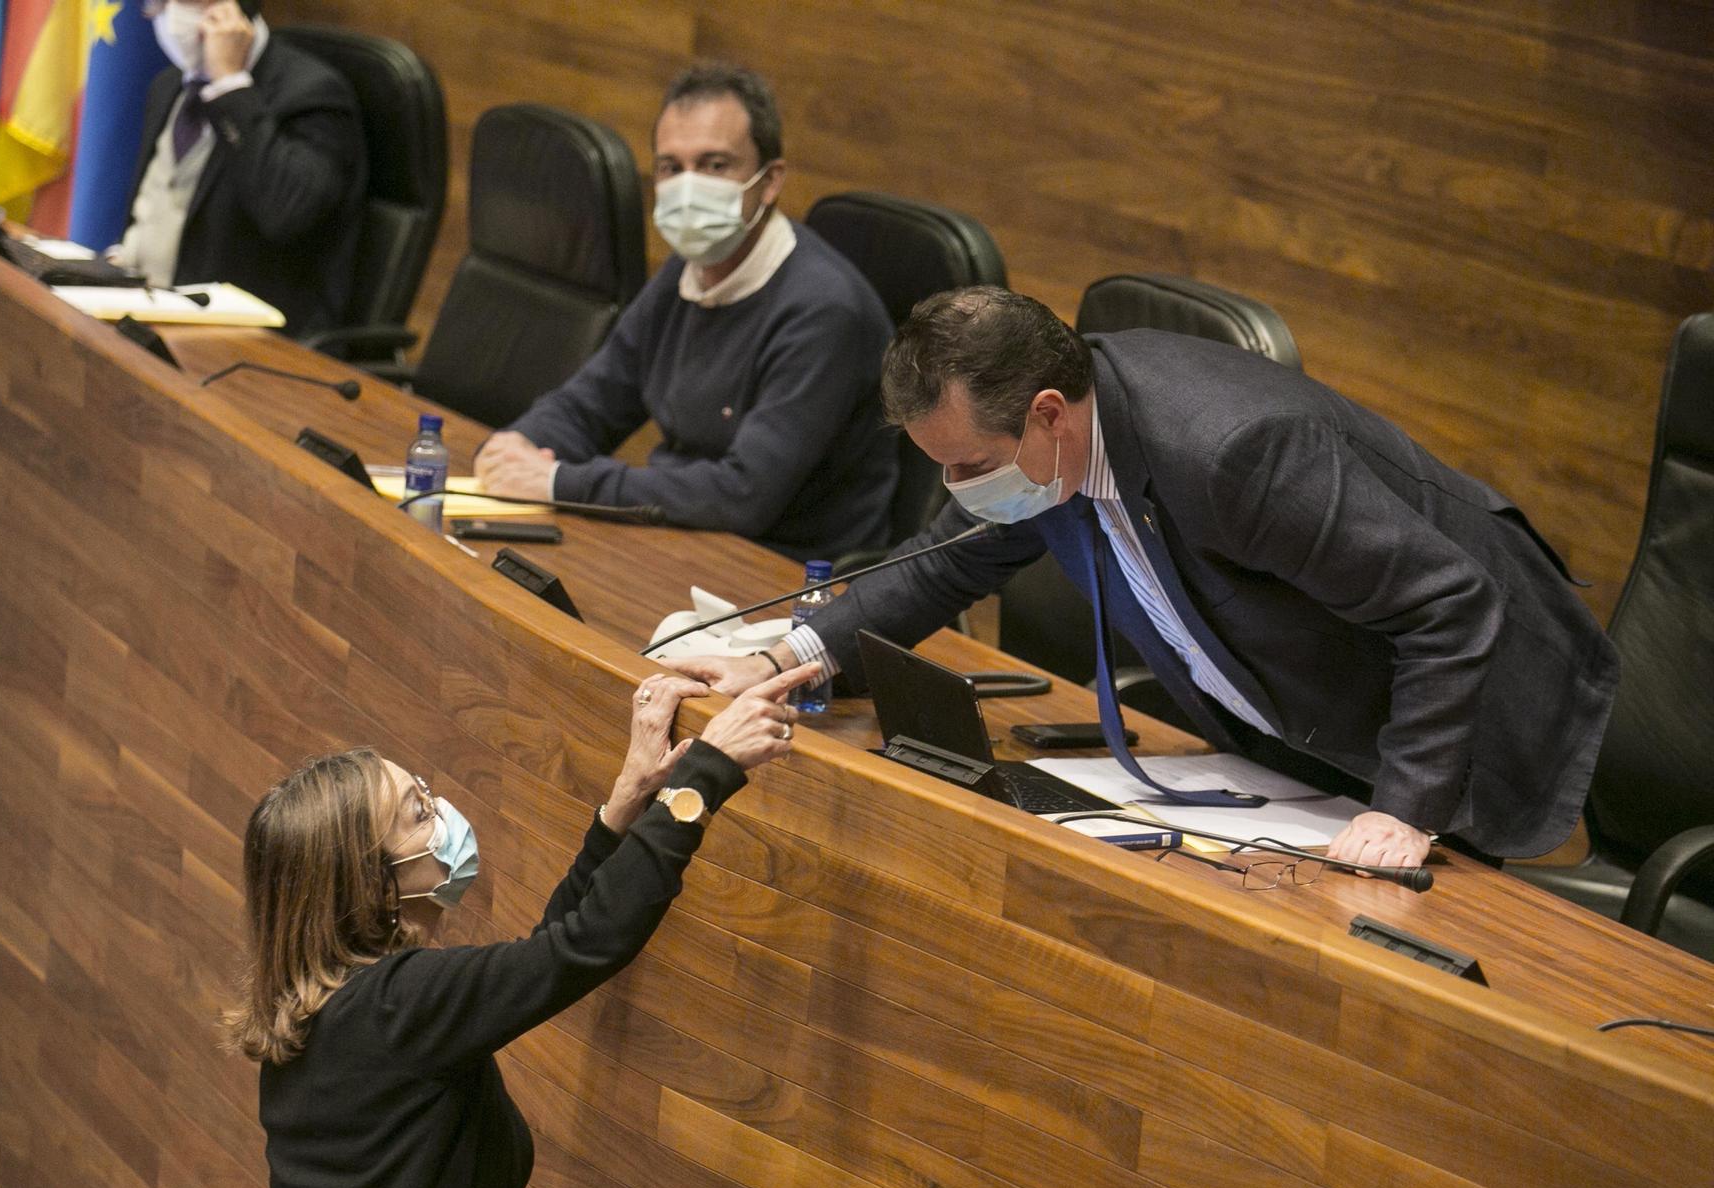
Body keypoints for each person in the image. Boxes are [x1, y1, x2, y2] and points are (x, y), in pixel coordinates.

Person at [673, 287, 1619, 873]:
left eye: (967, 466)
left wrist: (1408, 808)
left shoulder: (1235, 452)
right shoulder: (1060, 448)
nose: (958, 492)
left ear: (1047, 413)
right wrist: (787, 658)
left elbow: (1449, 602)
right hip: (1307, 738)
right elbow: (946, 563)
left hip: (1479, 717)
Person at [227, 664, 818, 1188]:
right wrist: (703, 773)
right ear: (374, 881)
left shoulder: (354, 1003)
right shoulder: (400, 1005)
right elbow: (585, 945)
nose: (444, 811)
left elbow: (549, 950)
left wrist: (625, 802)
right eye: (419, 814)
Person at [472, 64, 896, 565]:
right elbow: (592, 402)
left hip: (783, 572)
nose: (689, 188)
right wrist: (517, 446)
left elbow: (744, 495)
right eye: (672, 168)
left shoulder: (824, 311)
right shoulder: (688, 272)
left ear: (770, 181)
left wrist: (554, 481)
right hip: (679, 537)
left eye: (715, 165)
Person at [115, 0, 365, 336]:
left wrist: (230, 86)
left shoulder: (315, 95)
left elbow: (285, 212)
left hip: (238, 340)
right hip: (140, 316)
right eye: (158, 3)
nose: (167, 14)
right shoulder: (169, 85)